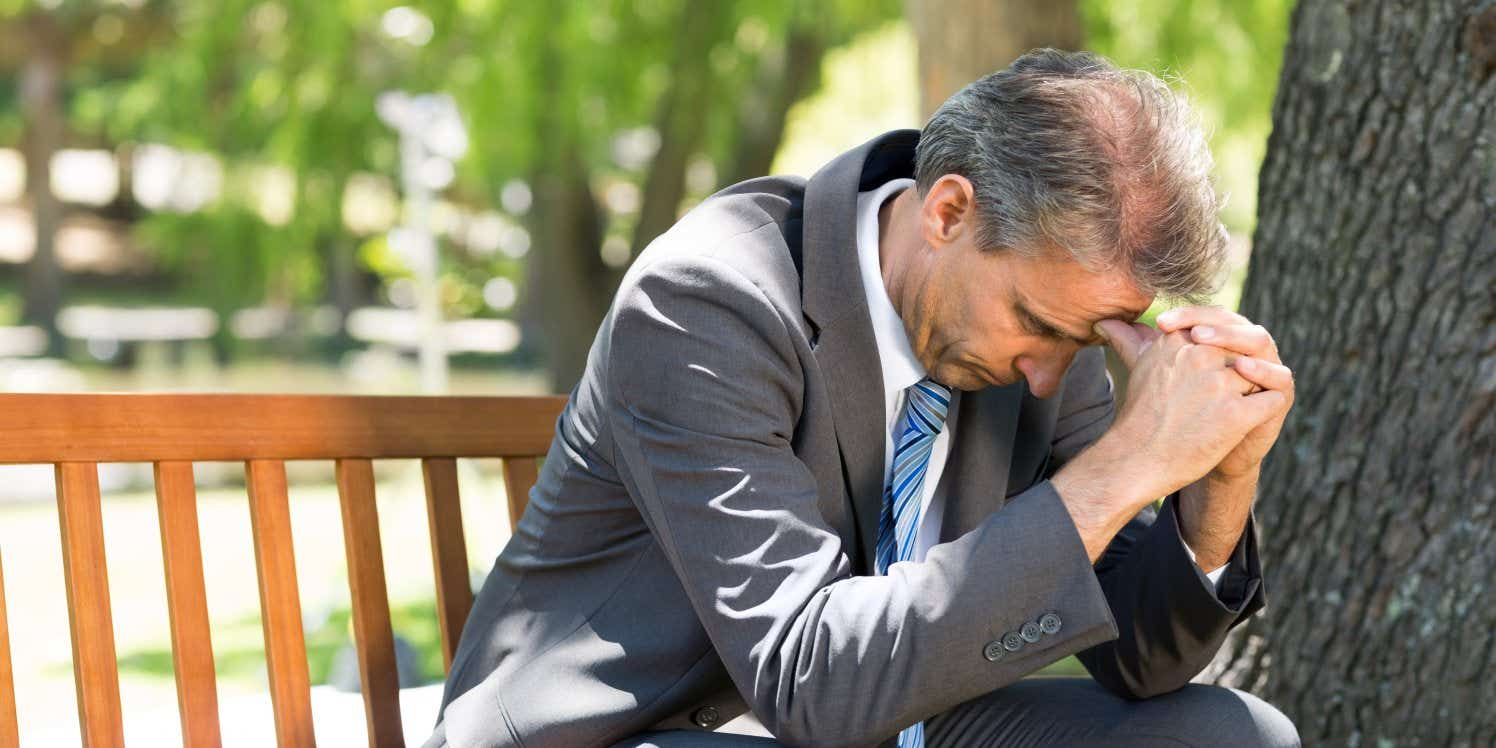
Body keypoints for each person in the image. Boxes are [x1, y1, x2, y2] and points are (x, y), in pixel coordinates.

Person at [425, 49, 1300, 748]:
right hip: (638, 725)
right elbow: (812, 685)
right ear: (949, 213)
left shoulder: (1050, 339)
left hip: (884, 718)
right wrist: (1125, 466)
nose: (1051, 373)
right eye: (1036, 324)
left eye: (1081, 339)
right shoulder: (709, 302)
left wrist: (1219, 483)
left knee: (1229, 735)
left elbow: (1140, 662)